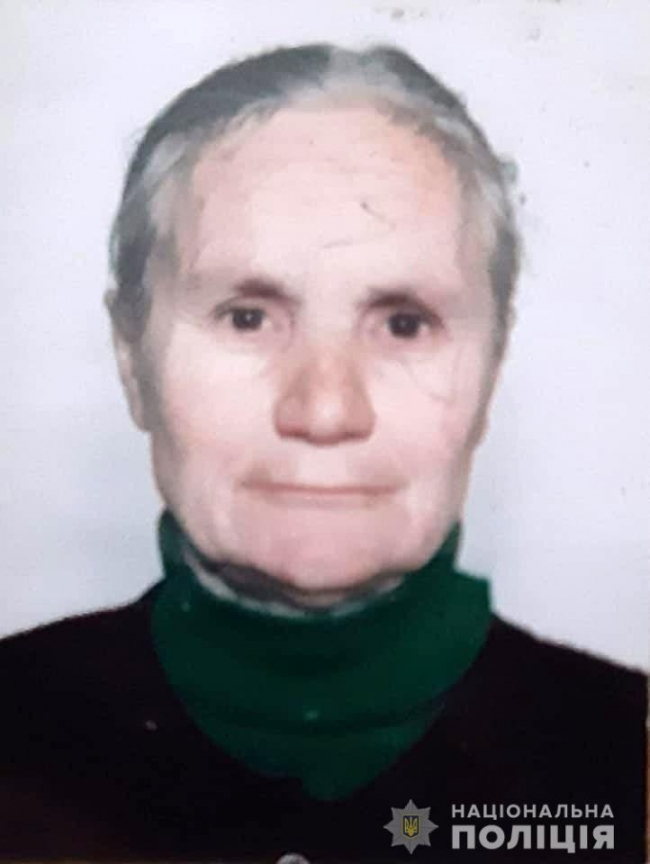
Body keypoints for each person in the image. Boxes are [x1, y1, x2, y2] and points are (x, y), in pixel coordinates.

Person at [0, 43, 645, 863]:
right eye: (246, 317)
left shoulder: (630, 760)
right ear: (133, 361)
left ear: (491, 368)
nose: (326, 410)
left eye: (404, 324)